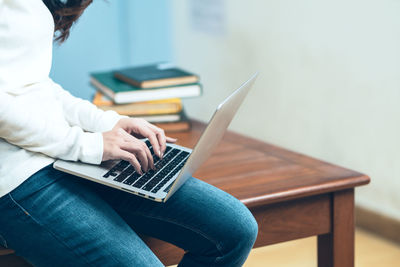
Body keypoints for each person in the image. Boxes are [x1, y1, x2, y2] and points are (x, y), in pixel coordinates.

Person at [0, 0, 258, 266]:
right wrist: (88, 146)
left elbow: (31, 83)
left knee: (235, 230)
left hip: (61, 154)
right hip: (16, 179)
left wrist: (107, 122)